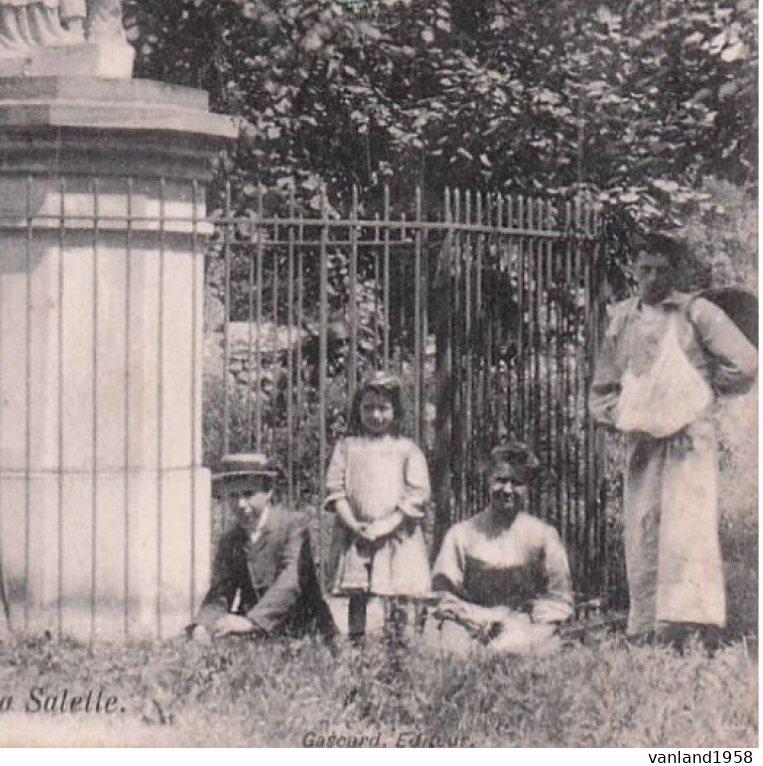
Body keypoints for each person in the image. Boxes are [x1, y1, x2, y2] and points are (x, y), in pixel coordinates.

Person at [589, 232, 757, 644]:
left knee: (688, 527)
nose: (652, 279)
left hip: (689, 441)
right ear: (633, 270)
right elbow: (603, 386)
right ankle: (648, 625)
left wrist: (701, 391)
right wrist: (623, 415)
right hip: (645, 442)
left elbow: (746, 363)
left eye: (661, 270)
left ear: (676, 271)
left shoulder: (696, 312)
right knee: (644, 524)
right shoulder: (622, 318)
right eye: (644, 269)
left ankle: (695, 627)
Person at [430, 443, 574, 654]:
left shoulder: (543, 535)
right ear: (489, 481)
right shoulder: (461, 534)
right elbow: (443, 595)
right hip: (468, 620)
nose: (507, 490)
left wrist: (524, 623)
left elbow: (558, 598)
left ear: (527, 488)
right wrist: (476, 618)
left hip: (521, 623)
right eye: (501, 480)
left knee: (512, 653)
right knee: (452, 654)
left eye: (516, 483)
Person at [324, 372, 432, 640]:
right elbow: (335, 490)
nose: (375, 415)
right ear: (358, 409)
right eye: (368, 407)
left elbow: (417, 492)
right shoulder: (346, 447)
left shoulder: (407, 449)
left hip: (396, 534)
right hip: (357, 533)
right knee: (357, 593)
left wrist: (388, 524)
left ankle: (399, 644)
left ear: (395, 411)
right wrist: (354, 524)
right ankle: (358, 642)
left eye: (383, 408)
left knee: (397, 591)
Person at [185, 453, 336, 641]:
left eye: (248, 494)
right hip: (256, 634)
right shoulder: (230, 540)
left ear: (268, 492)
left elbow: (290, 582)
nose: (241, 504)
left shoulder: (294, 526)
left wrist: (251, 622)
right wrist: (203, 625)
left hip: (303, 632)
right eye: (233, 495)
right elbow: (220, 594)